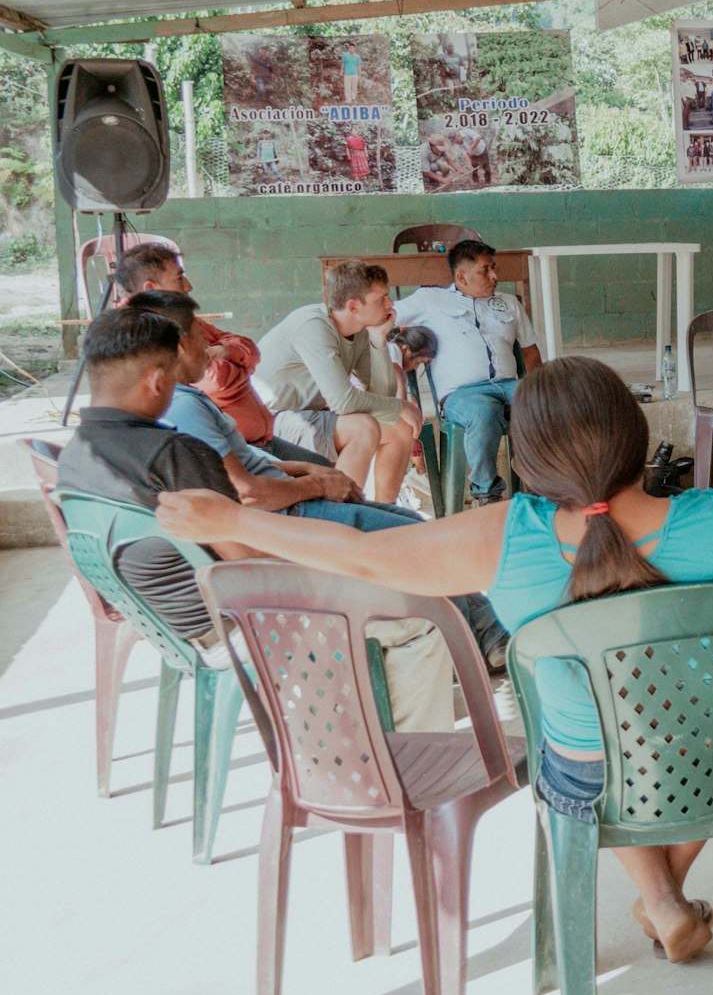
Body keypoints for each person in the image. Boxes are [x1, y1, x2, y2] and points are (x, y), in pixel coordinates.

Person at [158, 356, 713, 960]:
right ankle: (666, 901)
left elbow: (360, 554)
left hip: (587, 779)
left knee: (591, 736)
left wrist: (232, 521)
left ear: (530, 453)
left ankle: (662, 902)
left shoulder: (503, 534)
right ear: (635, 432)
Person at [57, 308, 467, 729]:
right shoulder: (171, 454)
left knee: (379, 547)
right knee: (419, 617)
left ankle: (377, 719)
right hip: (240, 623)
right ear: (158, 381)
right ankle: (406, 767)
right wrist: (347, 559)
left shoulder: (74, 455)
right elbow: (252, 561)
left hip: (174, 625)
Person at [136, 290, 512, 677]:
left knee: (409, 522)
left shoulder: (175, 403)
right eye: (203, 335)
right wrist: (317, 487)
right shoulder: (185, 405)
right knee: (415, 541)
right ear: (182, 345)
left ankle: (483, 630)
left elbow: (246, 465)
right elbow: (247, 493)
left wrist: (305, 471)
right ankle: (472, 642)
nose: (211, 344)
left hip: (286, 496)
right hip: (288, 516)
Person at [111, 242, 328, 468]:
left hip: (258, 441)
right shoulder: (147, 330)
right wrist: (241, 368)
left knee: (325, 470)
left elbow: (250, 348)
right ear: (150, 288)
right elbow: (217, 382)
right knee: (322, 481)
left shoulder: (187, 320)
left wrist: (226, 351)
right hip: (229, 450)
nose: (189, 286)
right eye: (179, 278)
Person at [256, 259, 422, 503]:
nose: (390, 304)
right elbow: (343, 401)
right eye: (381, 299)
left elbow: (381, 395)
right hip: (271, 421)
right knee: (363, 427)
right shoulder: (313, 326)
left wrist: (378, 340)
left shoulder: (361, 330)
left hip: (307, 415)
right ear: (353, 306)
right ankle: (341, 518)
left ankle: (384, 514)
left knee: (399, 429)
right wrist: (402, 407)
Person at [395, 240, 542, 507]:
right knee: (483, 412)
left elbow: (531, 351)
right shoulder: (431, 300)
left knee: (551, 404)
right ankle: (487, 495)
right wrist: (396, 363)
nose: (495, 276)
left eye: (493, 268)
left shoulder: (508, 303)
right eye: (485, 270)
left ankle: (544, 484)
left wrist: (538, 389)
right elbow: (384, 321)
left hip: (509, 385)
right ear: (461, 276)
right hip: (463, 395)